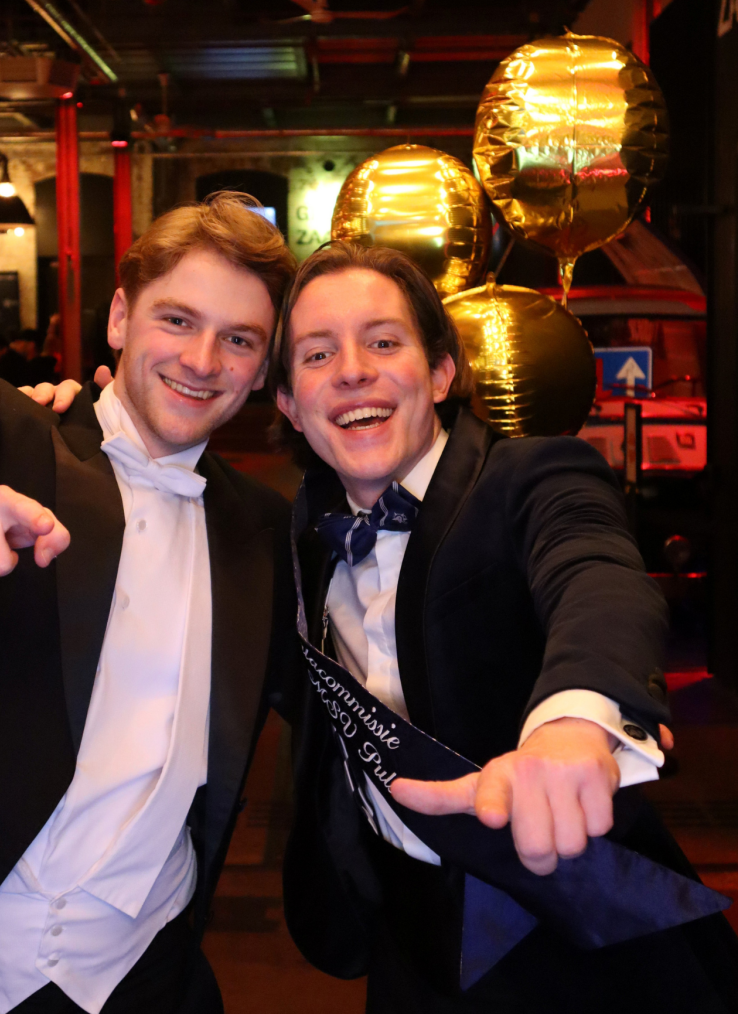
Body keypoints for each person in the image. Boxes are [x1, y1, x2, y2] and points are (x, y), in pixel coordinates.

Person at [0, 193, 298, 1014]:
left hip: (145, 962)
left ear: (264, 367)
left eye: (239, 339)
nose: (202, 359)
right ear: (121, 318)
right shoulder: (10, 426)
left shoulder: (264, 526)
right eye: (177, 320)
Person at [271, 241, 738, 1013]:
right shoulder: (301, 532)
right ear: (290, 403)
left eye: (383, 342)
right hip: (406, 945)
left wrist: (574, 720)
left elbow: (596, 575)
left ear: (441, 372)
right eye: (318, 354)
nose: (352, 370)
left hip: (577, 940)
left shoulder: (534, 477)